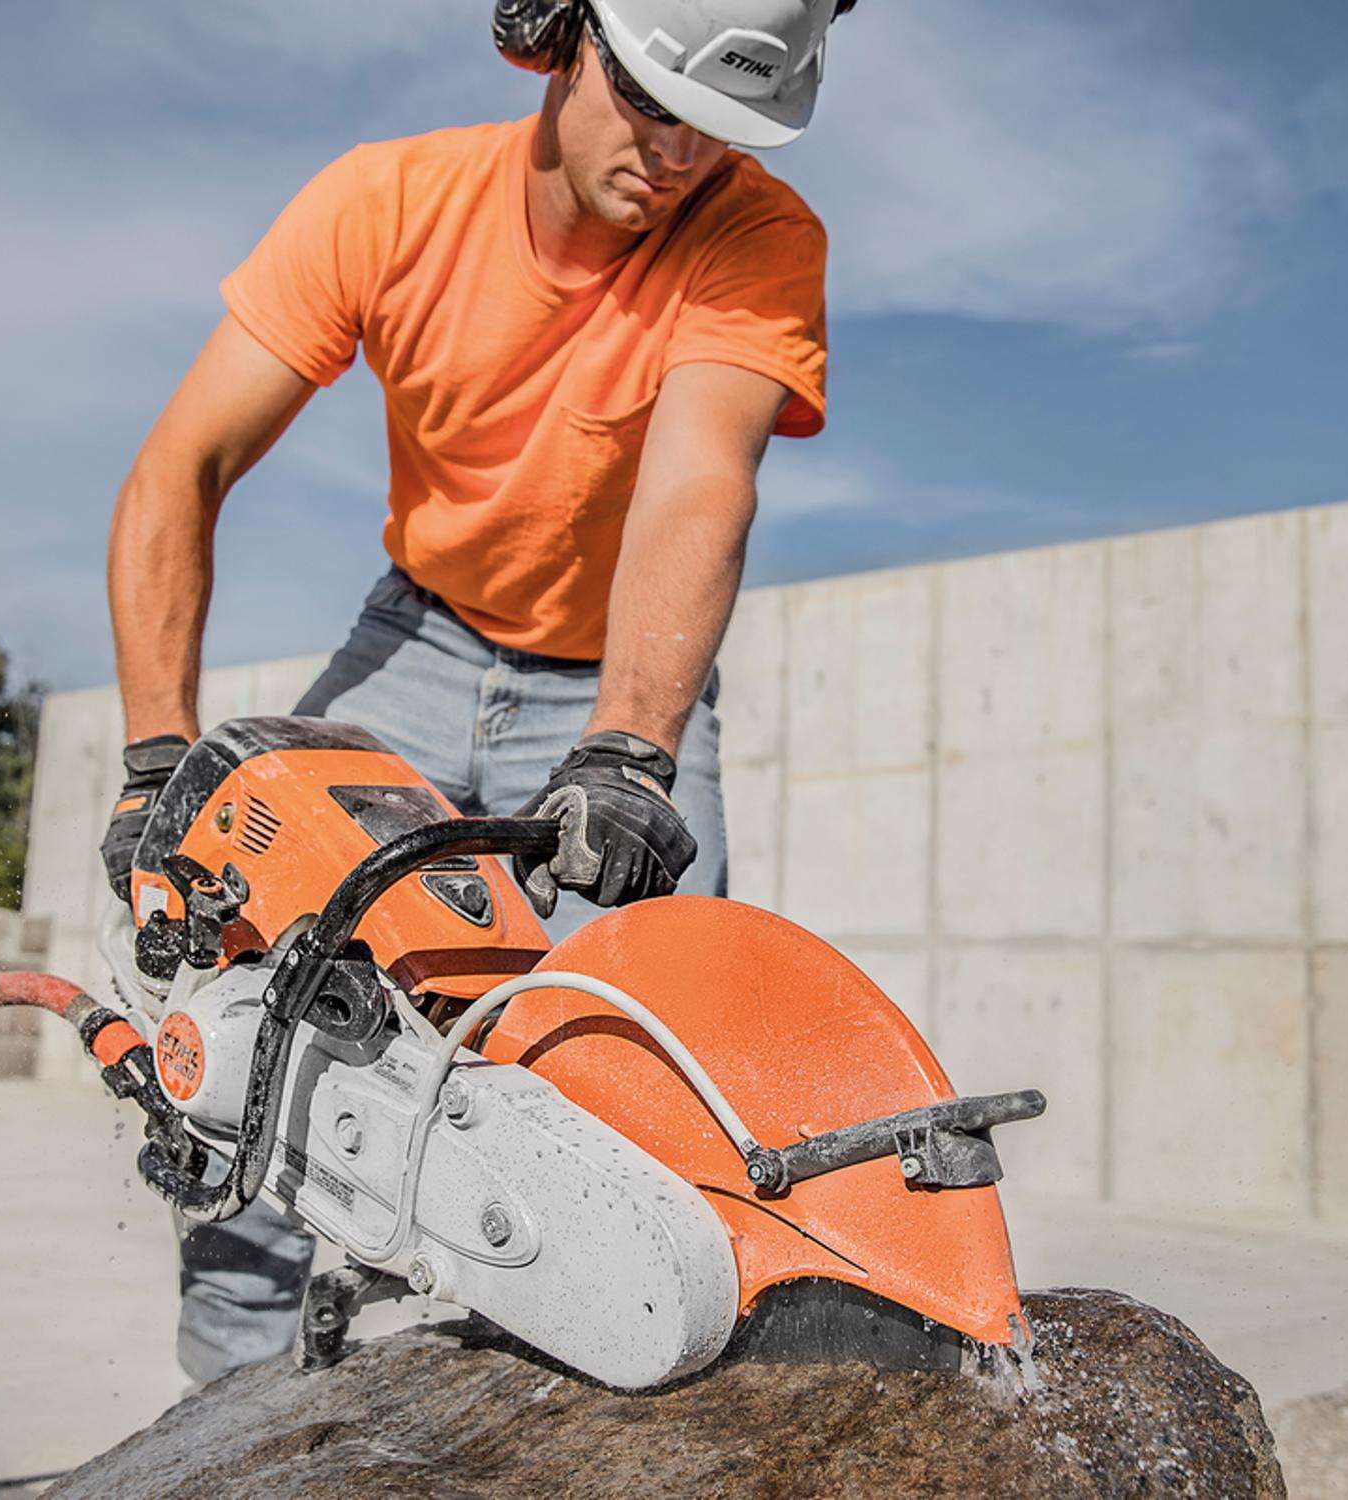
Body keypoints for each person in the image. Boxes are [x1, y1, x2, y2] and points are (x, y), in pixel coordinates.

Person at [101, 0, 847, 1383]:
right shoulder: (389, 205)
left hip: (610, 689)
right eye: (647, 100)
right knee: (254, 1014)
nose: (678, 153)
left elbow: (698, 488)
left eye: (717, 128)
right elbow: (179, 470)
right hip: (419, 646)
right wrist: (159, 764)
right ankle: (226, 1419)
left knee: (664, 1072)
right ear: (564, 36)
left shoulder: (758, 236)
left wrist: (630, 750)